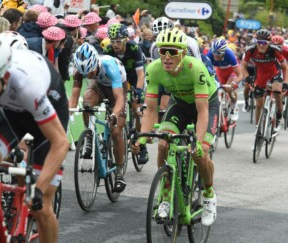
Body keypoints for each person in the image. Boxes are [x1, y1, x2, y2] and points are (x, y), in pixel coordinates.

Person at [132, 28, 218, 226]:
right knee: (163, 143)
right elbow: (151, 109)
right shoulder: (154, 69)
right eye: (163, 52)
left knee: (200, 153)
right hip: (179, 104)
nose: (167, 57)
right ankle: (165, 197)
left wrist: (197, 141)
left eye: (173, 52)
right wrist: (142, 138)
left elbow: (202, 111)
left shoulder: (195, 68)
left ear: (182, 53)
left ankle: (209, 195)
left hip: (206, 105)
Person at [0, 33, 69, 242]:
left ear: (6, 77)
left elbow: (60, 142)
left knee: (42, 205)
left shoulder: (28, 86)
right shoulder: (2, 81)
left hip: (47, 108)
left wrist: (38, 189)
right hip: (9, 111)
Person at [69, 42, 128, 193]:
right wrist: (68, 112)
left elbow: (119, 99)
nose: (87, 75)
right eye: (84, 73)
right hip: (99, 86)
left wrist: (114, 115)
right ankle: (89, 137)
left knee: (115, 131)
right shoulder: (79, 69)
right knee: (87, 102)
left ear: (96, 63)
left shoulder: (110, 66)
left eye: (90, 71)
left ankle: (120, 173)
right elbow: (75, 97)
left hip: (117, 88)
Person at [105, 23, 147, 163]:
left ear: (125, 40)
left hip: (134, 79)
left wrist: (139, 92)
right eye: (113, 41)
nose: (115, 44)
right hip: (119, 81)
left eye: (118, 41)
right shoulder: (108, 50)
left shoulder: (134, 48)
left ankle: (142, 144)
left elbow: (140, 74)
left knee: (136, 109)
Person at [241, 29, 288, 131]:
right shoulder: (250, 50)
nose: (261, 45)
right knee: (259, 104)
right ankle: (258, 129)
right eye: (258, 42)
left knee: (277, 90)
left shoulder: (274, 50)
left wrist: (285, 83)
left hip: (274, 73)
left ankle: (279, 113)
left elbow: (286, 68)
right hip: (260, 75)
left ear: (269, 43)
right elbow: (243, 67)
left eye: (264, 43)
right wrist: (247, 77)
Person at [206, 38, 243, 122]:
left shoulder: (229, 54)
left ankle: (234, 105)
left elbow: (240, 75)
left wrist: (235, 82)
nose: (215, 55)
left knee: (228, 88)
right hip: (220, 71)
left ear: (223, 52)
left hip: (231, 71)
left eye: (218, 54)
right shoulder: (209, 55)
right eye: (214, 53)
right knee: (216, 89)